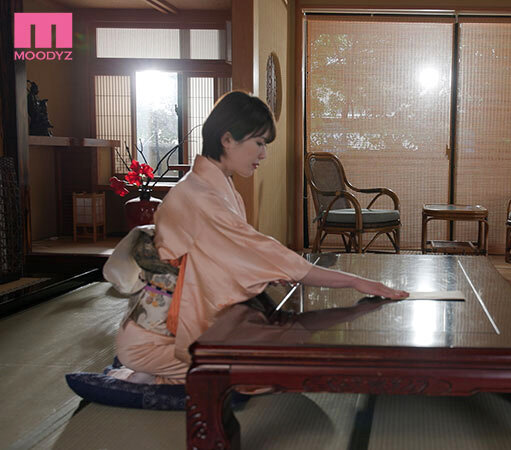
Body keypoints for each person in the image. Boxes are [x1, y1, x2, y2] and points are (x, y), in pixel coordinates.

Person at [108, 91, 408, 385]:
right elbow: (266, 254)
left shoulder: (211, 184)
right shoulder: (202, 197)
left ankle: (159, 373)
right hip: (155, 341)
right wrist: (355, 281)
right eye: (259, 143)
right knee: (269, 370)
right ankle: (150, 376)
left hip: (166, 329)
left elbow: (235, 256)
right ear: (227, 139)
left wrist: (263, 270)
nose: (263, 154)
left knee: (275, 343)